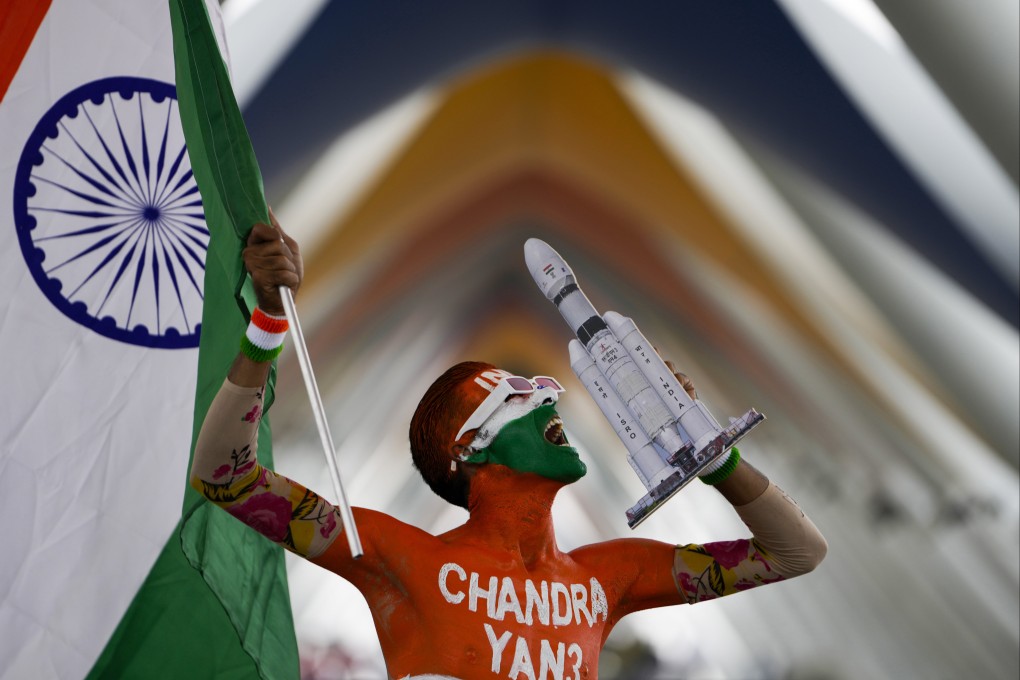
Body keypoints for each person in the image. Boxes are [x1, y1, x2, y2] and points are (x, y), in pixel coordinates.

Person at [192, 216, 827, 680]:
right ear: (468, 448)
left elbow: (798, 553)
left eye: (541, 389)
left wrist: (718, 459)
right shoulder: (398, 556)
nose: (548, 397)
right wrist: (268, 324)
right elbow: (227, 477)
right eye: (516, 395)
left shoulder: (608, 575)